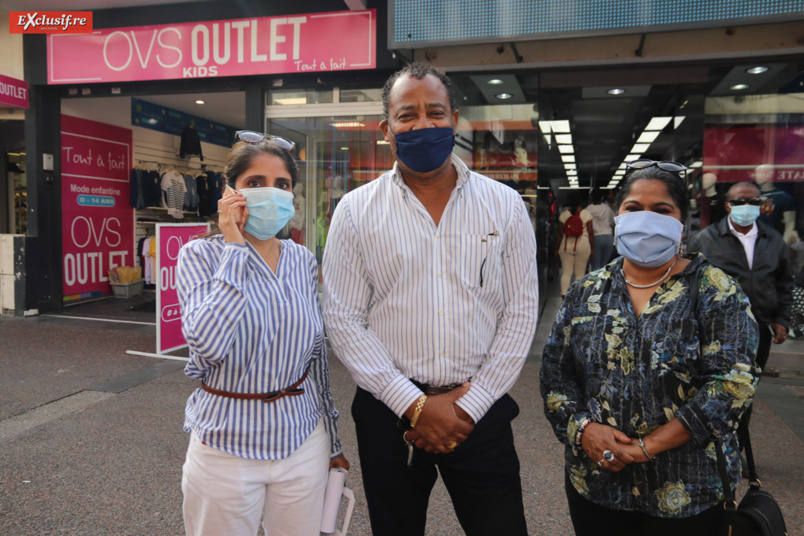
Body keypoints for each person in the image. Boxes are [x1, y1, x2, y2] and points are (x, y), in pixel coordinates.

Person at [322, 62, 539, 536]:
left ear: (454, 119)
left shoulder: (503, 205)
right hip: (389, 416)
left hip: (479, 412)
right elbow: (342, 319)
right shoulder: (355, 212)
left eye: (435, 112)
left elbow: (520, 312)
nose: (423, 124)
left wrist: (469, 405)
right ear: (387, 128)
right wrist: (415, 404)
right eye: (408, 115)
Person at [540, 162, 758, 536]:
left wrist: (644, 447)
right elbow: (555, 376)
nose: (645, 218)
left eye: (661, 210)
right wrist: (585, 430)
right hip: (596, 483)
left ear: (680, 223)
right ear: (618, 215)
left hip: (688, 490)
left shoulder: (715, 290)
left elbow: (731, 385)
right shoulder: (586, 291)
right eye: (633, 207)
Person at [177, 133, 349, 536]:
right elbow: (207, 344)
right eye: (255, 183)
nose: (270, 193)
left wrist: (334, 442)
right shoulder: (200, 256)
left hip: (303, 440)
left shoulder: (301, 260)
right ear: (229, 191)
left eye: (282, 184)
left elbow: (315, 357)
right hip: (225, 446)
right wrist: (234, 248)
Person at [688, 181, 793, 467]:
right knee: (714, 389)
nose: (747, 207)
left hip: (758, 329)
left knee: (745, 393)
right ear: (727, 206)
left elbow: (784, 282)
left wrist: (781, 319)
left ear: (762, 206)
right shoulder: (705, 240)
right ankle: (705, 446)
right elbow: (687, 283)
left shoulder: (774, 241)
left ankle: (735, 450)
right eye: (739, 202)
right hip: (716, 331)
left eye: (753, 202)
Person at [556, 194, 594, 297]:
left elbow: (560, 233)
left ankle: (564, 295)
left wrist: (556, 248)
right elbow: (590, 232)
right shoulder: (587, 214)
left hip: (566, 244)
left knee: (566, 273)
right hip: (583, 244)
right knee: (580, 274)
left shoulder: (564, 215)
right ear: (580, 201)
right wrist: (592, 248)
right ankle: (577, 296)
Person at [586, 188, 615, 271]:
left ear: (591, 197)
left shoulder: (588, 209)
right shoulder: (607, 208)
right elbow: (613, 222)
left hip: (595, 238)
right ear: (602, 197)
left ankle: (595, 283)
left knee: (595, 267)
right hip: (608, 237)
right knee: (604, 266)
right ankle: (603, 283)